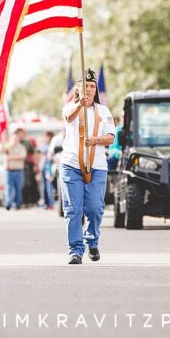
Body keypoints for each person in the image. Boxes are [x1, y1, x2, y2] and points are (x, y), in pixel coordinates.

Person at [60, 69, 116, 264]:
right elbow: (68, 118)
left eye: (92, 86)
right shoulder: (70, 107)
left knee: (94, 208)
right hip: (71, 165)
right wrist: (79, 106)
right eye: (85, 87)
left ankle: (91, 240)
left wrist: (96, 140)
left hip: (97, 166)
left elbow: (110, 137)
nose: (89, 90)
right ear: (78, 89)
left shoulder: (104, 111)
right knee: (73, 209)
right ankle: (75, 250)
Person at [3, 129, 28, 211]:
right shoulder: (7, 147)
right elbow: (4, 155)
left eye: (16, 139)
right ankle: (8, 203)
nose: (15, 140)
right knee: (9, 188)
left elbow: (23, 156)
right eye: (13, 139)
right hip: (9, 170)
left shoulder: (21, 147)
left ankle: (17, 204)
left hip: (18, 171)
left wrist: (11, 157)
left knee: (18, 188)